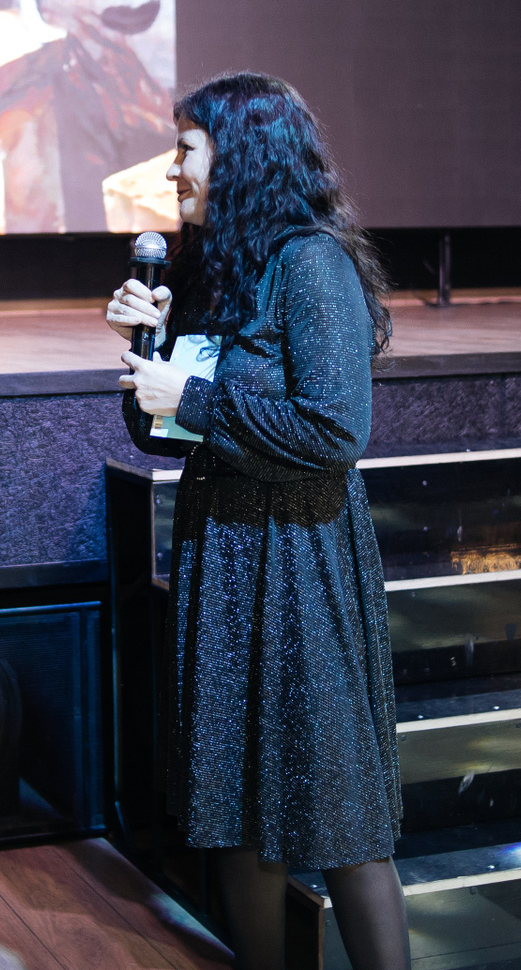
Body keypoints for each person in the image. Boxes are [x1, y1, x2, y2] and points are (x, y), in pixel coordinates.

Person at [106, 73, 412, 970]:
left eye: (186, 149)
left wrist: (192, 396)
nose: (172, 169)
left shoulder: (311, 264)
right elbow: (157, 431)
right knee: (235, 811)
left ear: (241, 155)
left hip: (302, 558)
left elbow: (336, 429)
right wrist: (149, 348)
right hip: (225, 556)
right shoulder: (213, 268)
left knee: (343, 815)